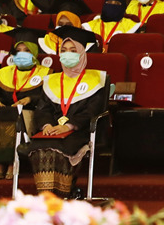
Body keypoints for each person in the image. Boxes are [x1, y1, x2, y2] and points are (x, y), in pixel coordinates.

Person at [24, 26, 107, 198]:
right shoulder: (52, 80)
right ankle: (47, 196)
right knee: (38, 146)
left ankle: (63, 194)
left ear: (82, 53)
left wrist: (68, 126)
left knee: (60, 147)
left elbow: (93, 110)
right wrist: (47, 125)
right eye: (63, 50)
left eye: (73, 50)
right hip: (52, 130)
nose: (67, 54)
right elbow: (43, 108)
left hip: (80, 130)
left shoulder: (96, 80)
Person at [0, 28, 48, 180]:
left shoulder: (45, 73)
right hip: (3, 111)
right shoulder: (4, 72)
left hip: (28, 112)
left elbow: (48, 96)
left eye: (27, 51)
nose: (22, 54)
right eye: (18, 51)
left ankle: (10, 163)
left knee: (13, 120)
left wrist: (30, 99)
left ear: (35, 52)